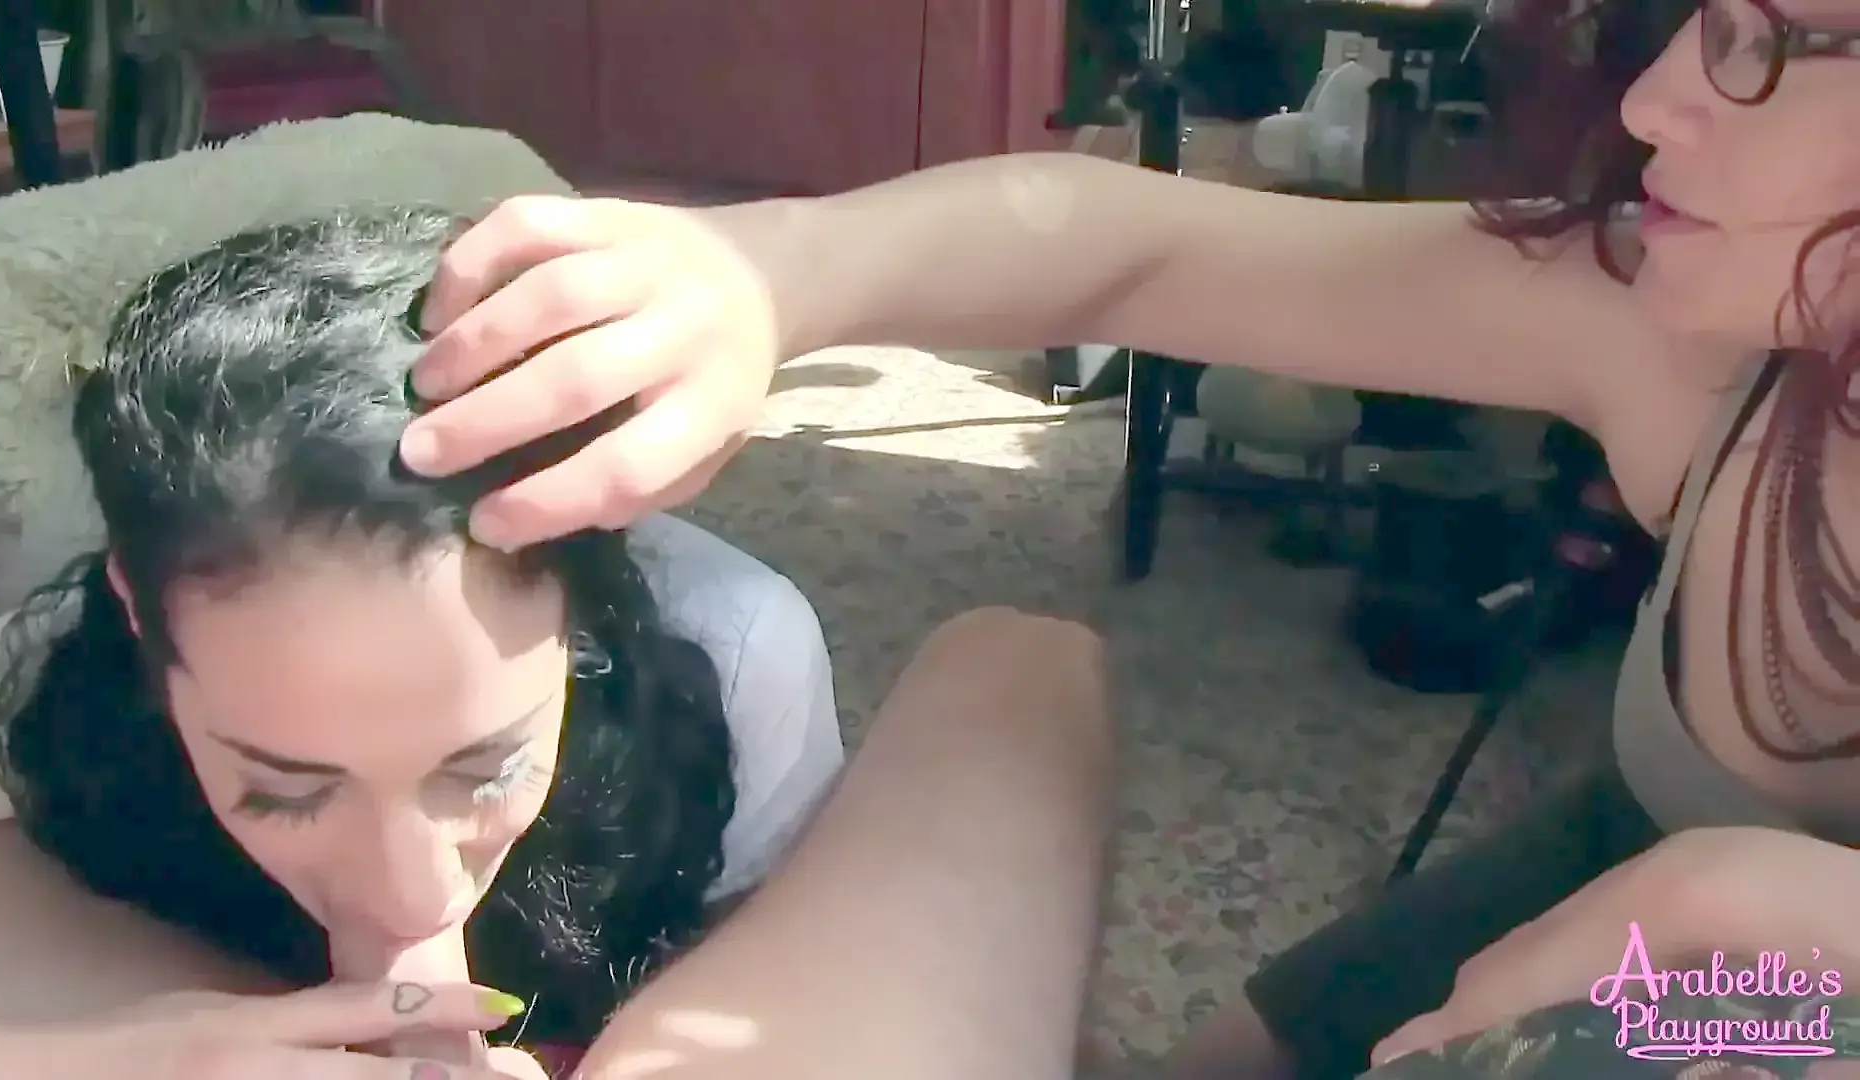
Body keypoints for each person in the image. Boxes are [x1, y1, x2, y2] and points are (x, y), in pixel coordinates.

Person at [381, 0, 1859, 1075]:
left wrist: (1766, 913)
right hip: (1621, 859)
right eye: (1697, 18)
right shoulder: (1700, 354)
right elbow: (1140, 248)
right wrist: (771, 268)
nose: (1658, 100)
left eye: (1774, 44)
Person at [0, 206, 1115, 1080]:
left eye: (486, 766)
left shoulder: (731, 652)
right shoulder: (18, 692)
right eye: (285, 789)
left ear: (579, 619)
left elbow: (797, 965)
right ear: (139, 617)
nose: (411, 889)